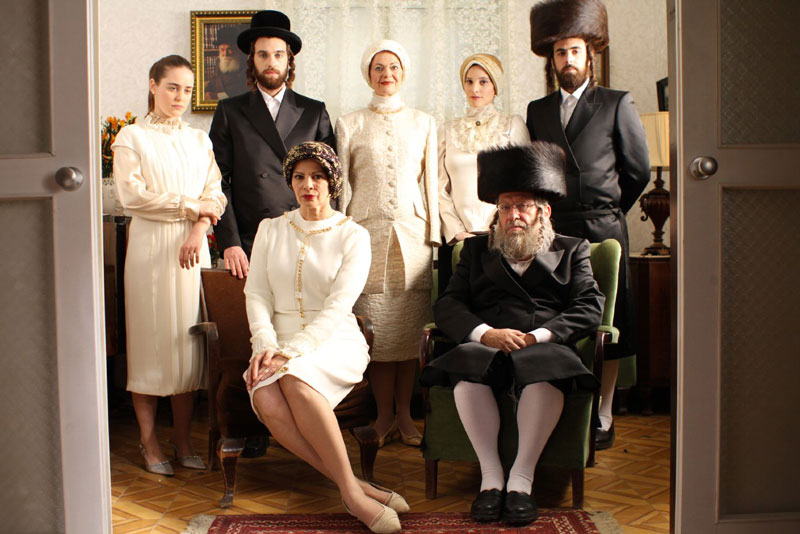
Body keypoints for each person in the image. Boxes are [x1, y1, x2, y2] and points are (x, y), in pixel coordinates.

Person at [420, 142, 604, 525]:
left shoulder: (573, 250)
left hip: (542, 345)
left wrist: (540, 336)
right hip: (489, 346)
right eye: (505, 207)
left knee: (545, 369)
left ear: (544, 211)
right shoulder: (476, 251)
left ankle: (521, 481)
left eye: (522, 206)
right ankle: (491, 480)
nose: (513, 215)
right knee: (467, 366)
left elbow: (589, 306)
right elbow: (448, 304)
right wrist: (484, 333)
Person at [244, 142, 406, 534]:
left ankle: (351, 496)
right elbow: (257, 293)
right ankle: (357, 486)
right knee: (264, 395)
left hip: (335, 339)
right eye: (299, 177)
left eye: (317, 176)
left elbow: (338, 306)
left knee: (296, 379)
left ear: (332, 182)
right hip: (275, 339)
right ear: (290, 182)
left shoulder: (354, 235)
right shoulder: (270, 229)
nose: (308, 185)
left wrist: (292, 352)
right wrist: (265, 344)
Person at [526, 0, 650, 449]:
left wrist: (609, 209)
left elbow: (638, 171)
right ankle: (565, 408)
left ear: (589, 56)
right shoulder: (538, 110)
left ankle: (604, 412)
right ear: (552, 59)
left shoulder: (616, 102)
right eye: (560, 53)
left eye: (574, 51)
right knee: (557, 320)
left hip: (603, 229)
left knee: (608, 322)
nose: (567, 60)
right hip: (556, 232)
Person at [112, 54, 227, 476]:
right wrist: (189, 206)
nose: (181, 97)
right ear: (153, 85)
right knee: (149, 345)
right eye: (173, 87)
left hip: (192, 251)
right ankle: (148, 440)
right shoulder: (131, 137)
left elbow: (216, 195)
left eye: (187, 90)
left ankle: (183, 439)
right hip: (149, 252)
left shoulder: (199, 140)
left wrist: (198, 228)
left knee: (187, 348)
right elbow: (132, 198)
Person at [336, 40, 439, 448]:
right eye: (378, 67)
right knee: (377, 332)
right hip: (366, 234)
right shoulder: (349, 123)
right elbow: (341, 186)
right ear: (368, 74)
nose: (386, 74)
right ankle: (382, 416)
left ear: (403, 73)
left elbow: (431, 184)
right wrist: (339, 234)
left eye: (393, 67)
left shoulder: (423, 122)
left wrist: (434, 233)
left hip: (413, 237)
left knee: (410, 331)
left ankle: (406, 416)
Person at [209, 10, 335, 279]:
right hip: (249, 242)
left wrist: (326, 234)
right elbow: (217, 181)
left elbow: (329, 181)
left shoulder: (314, 112)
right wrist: (230, 242)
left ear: (289, 60)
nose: (271, 62)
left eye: (278, 55)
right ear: (252, 59)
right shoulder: (230, 111)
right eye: (263, 55)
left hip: (307, 235)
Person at [438, 53, 530, 289]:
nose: (475, 88)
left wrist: (503, 227)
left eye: (483, 81)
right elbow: (437, 187)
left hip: (503, 236)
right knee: (455, 305)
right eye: (469, 81)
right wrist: (457, 232)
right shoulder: (447, 129)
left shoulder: (512, 124)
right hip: (457, 240)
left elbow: (524, 183)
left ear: (495, 86)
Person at [204, 26, 248, 101]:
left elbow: (244, 89)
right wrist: (207, 91)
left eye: (229, 49)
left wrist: (218, 96)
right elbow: (214, 81)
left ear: (237, 49)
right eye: (222, 49)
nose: (225, 54)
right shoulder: (219, 62)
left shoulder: (246, 64)